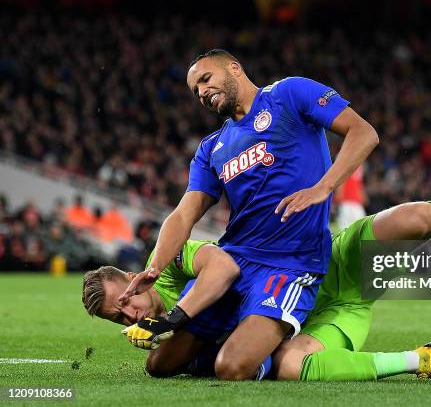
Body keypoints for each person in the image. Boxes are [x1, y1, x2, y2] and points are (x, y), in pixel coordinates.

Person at [84, 198, 431, 383]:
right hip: (332, 316)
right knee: (291, 367)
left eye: (123, 299)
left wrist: (175, 318)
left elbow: (221, 267)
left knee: (417, 217)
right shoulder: (160, 350)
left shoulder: (170, 267)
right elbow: (166, 366)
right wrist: (164, 337)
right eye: (117, 317)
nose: (127, 313)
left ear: (131, 280)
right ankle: (420, 359)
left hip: (324, 267)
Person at [116, 49, 379, 380]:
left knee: (232, 367)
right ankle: (244, 334)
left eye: (205, 79)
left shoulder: (289, 94)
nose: (201, 92)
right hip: (236, 262)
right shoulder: (212, 147)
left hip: (289, 263)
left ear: (234, 68)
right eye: (194, 90)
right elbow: (184, 214)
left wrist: (324, 187)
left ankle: (262, 344)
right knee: (160, 366)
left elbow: (364, 133)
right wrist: (154, 267)